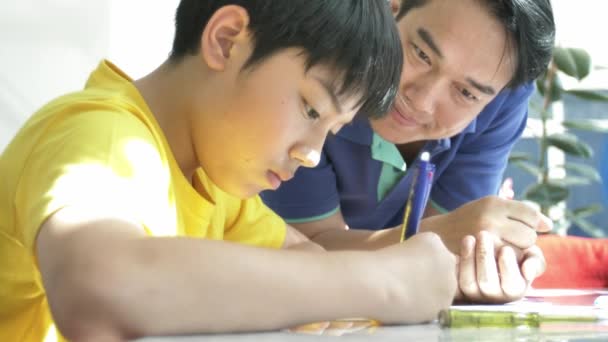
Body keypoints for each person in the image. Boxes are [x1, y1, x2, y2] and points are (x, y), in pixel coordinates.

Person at [0, 1, 463, 341]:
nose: (312, 155)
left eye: (333, 129)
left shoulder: (215, 187)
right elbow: (99, 287)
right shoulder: (100, 134)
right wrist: (383, 284)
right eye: (310, 108)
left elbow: (306, 262)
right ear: (226, 40)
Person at [262, 0, 556, 303]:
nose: (422, 101)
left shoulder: (500, 104)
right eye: (422, 54)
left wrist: (489, 258)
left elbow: (446, 258)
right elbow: (304, 251)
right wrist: (442, 235)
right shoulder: (311, 66)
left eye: (466, 93)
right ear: (391, 8)